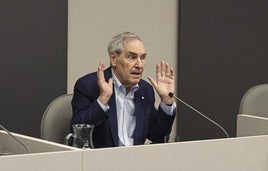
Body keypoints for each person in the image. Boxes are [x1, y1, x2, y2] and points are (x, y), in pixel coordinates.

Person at [71, 32, 176, 148]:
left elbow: (157, 136)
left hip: (136, 161)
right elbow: (78, 135)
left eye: (143, 57)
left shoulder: (145, 90)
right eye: (132, 57)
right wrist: (102, 100)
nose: (139, 65)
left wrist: (167, 101)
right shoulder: (89, 85)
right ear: (114, 59)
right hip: (101, 162)